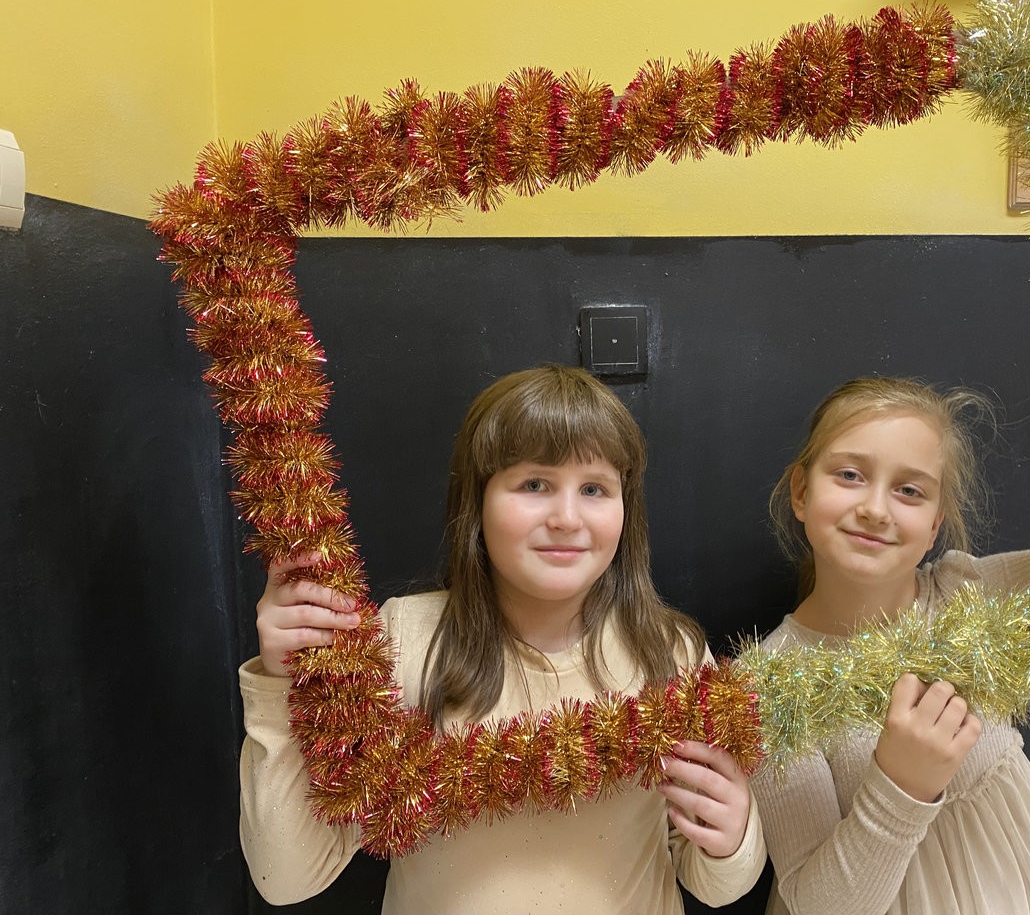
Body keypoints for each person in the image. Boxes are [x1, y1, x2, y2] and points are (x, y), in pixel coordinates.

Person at [239, 365, 766, 913]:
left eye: (594, 489)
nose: (566, 518)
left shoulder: (671, 652)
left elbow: (717, 883)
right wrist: (280, 685)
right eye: (534, 484)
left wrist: (733, 837)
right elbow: (286, 878)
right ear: (478, 501)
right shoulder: (399, 641)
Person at [752, 267, 1030, 915]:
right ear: (800, 492)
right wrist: (901, 786)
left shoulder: (967, 593)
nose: (875, 508)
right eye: (849, 475)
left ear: (934, 525)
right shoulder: (770, 682)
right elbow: (818, 904)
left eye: (909, 490)